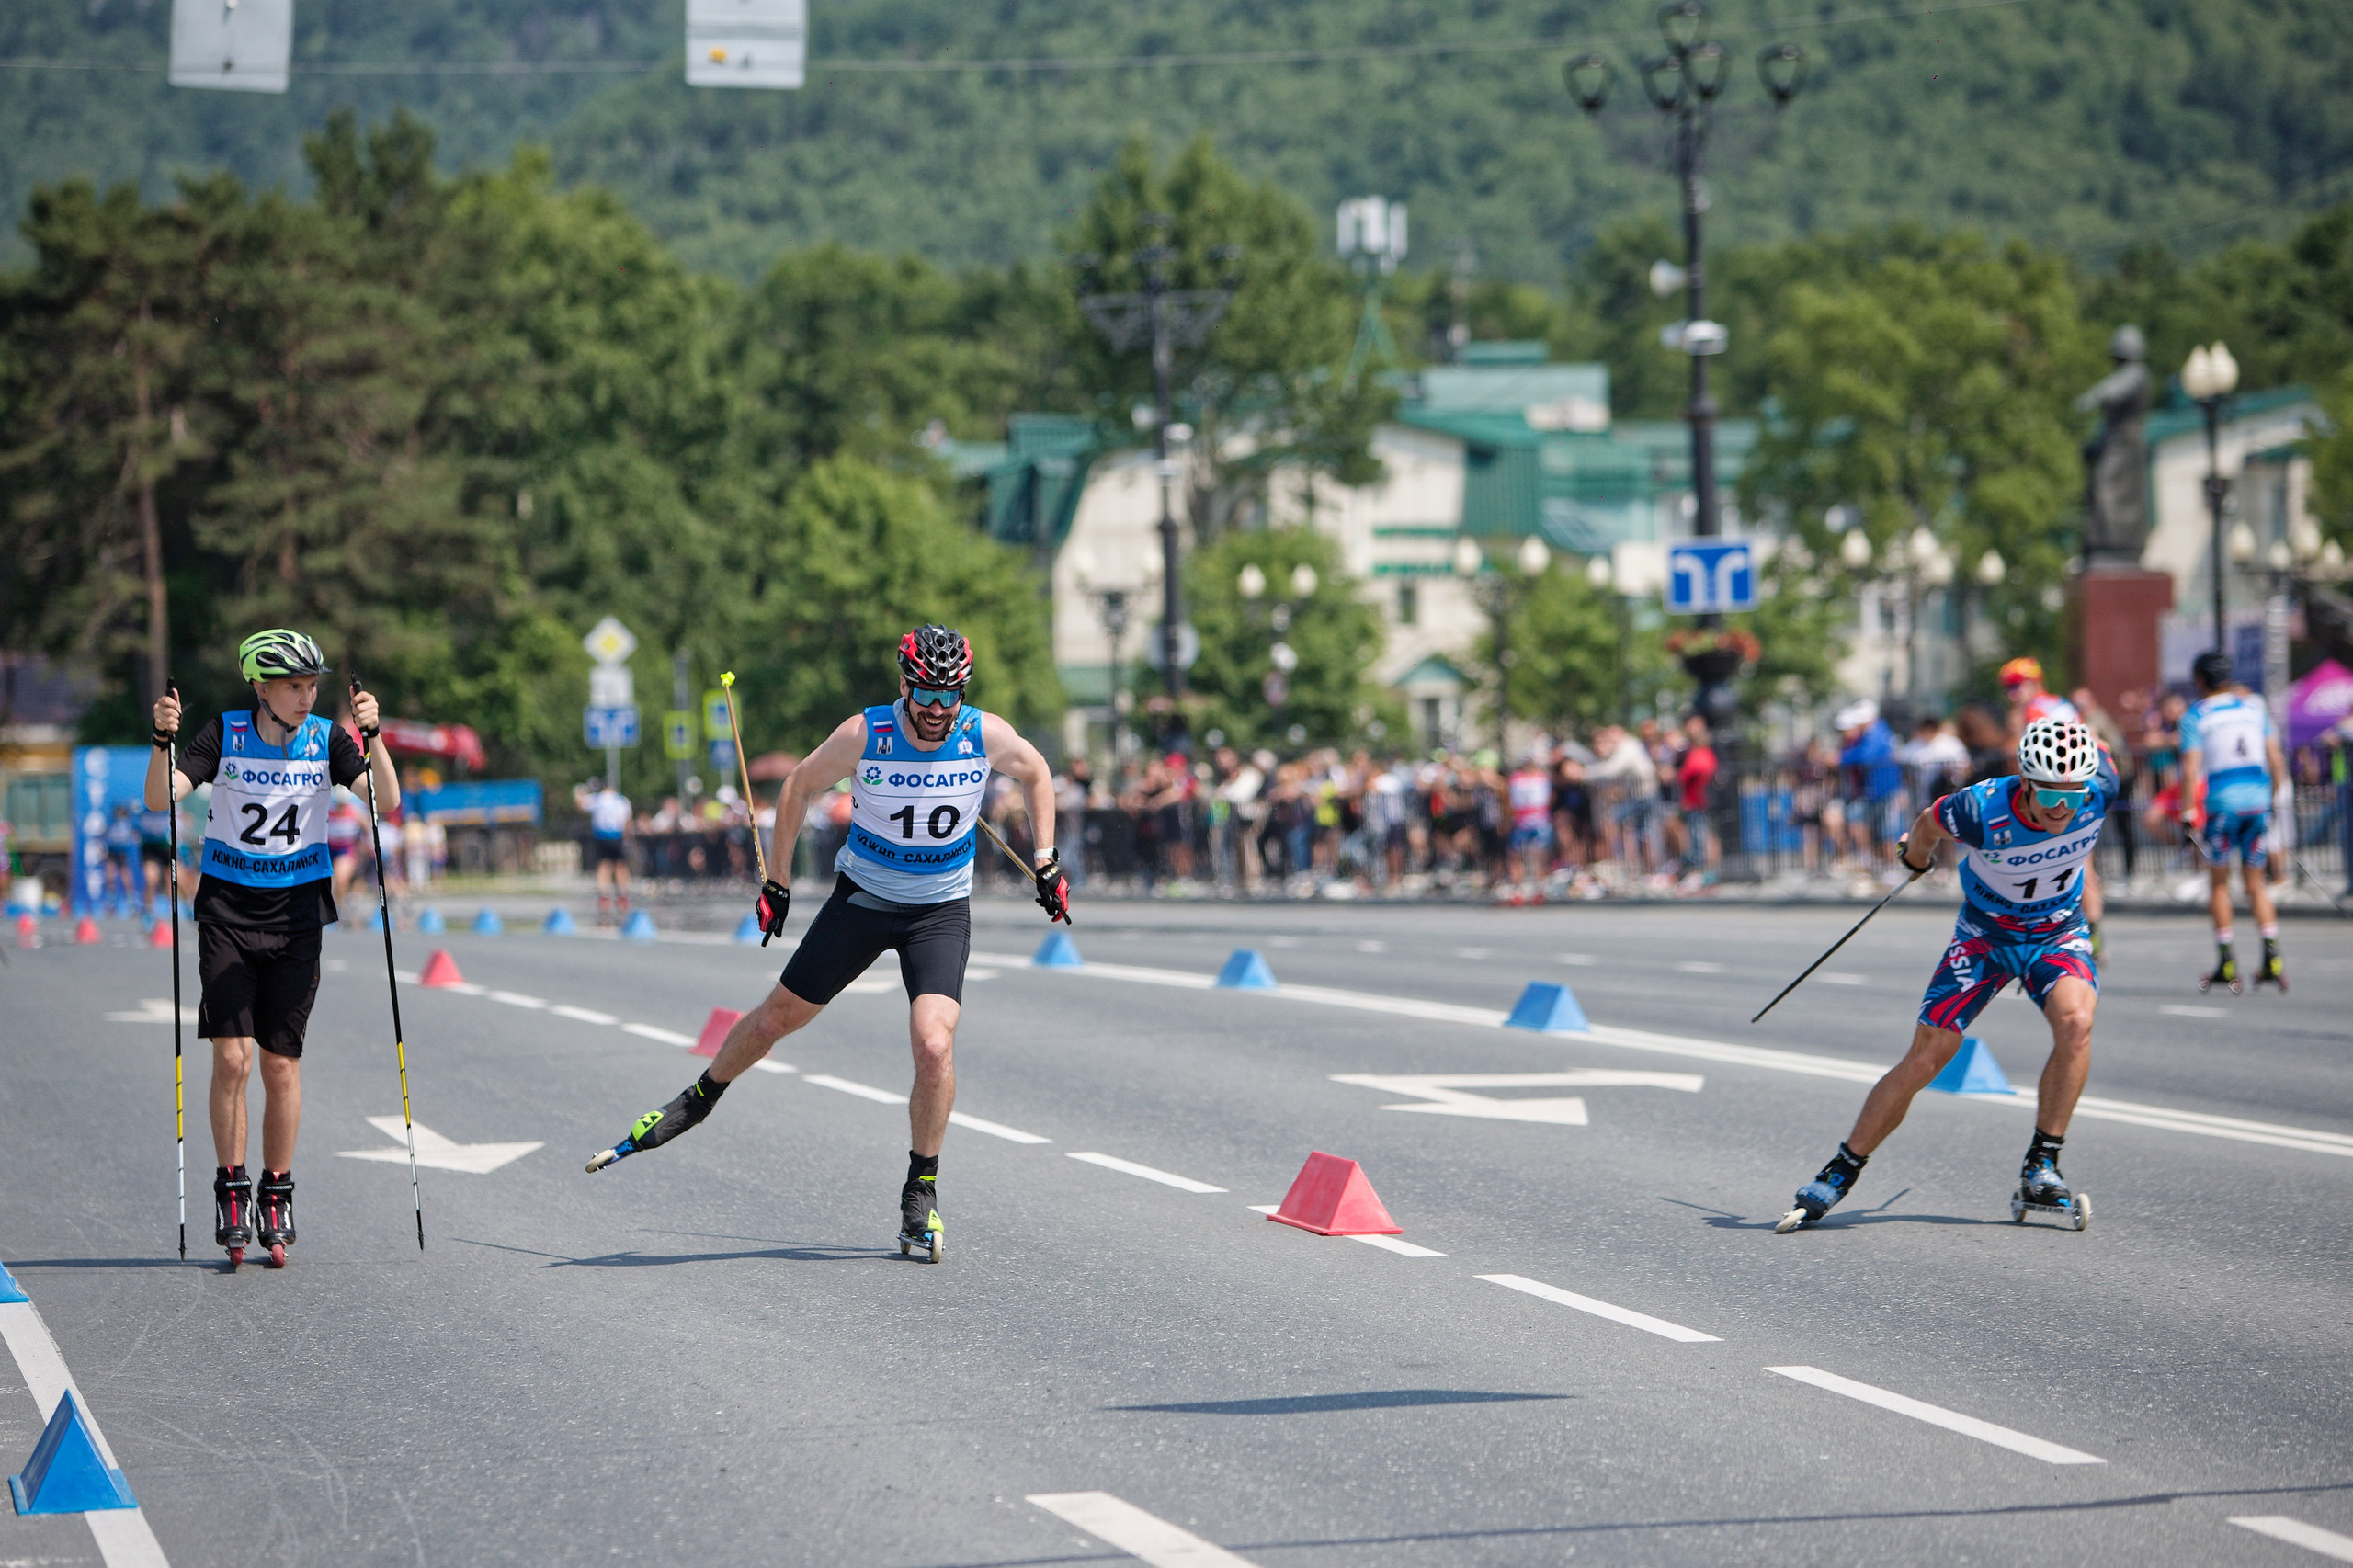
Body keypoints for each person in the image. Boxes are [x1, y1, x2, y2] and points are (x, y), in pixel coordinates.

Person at [585, 625, 1069, 1265]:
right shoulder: (869, 733)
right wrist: (777, 884)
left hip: (939, 912)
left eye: (948, 696)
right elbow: (796, 787)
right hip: (863, 902)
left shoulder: (984, 733)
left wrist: (1046, 861)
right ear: (904, 683)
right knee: (777, 1019)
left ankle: (920, 1190)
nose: (935, 709)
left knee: (934, 1041)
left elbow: (1036, 772)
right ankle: (697, 1099)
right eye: (923, 691)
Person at [1777, 715, 2113, 1233]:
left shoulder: (2100, 786)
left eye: (2075, 793)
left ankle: (2041, 1165)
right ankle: (1840, 1170)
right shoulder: (1980, 809)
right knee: (1930, 1055)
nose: (2064, 807)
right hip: (1984, 937)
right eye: (2051, 797)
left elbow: (2104, 755)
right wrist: (1916, 858)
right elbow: (1929, 821)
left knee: (2076, 1023)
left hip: (2055, 932)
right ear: (2025, 783)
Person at [145, 630, 398, 1267]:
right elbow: (159, 798)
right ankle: (232, 1186)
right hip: (229, 914)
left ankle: (277, 1190)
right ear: (259, 685)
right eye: (293, 686)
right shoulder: (225, 733)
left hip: (296, 919)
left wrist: (375, 738)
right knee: (232, 1060)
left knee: (280, 1065)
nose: (306, 696)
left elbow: (385, 803)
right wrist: (160, 742)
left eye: (312, 685)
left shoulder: (326, 740)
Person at [2179, 651, 2289, 992]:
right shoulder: (2254, 709)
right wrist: (2268, 801)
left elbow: (2189, 768)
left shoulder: (2196, 715)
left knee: (2220, 884)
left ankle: (2227, 961)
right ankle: (2272, 957)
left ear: (2199, 680)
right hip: (2256, 803)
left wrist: (2187, 813)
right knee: (2256, 883)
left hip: (2222, 807)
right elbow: (2277, 762)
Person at [1505, 750, 1554, 903]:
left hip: (1539, 821)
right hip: (1521, 821)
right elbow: (1509, 798)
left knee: (1538, 856)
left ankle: (1539, 889)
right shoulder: (1515, 779)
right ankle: (1517, 889)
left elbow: (1551, 797)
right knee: (1516, 855)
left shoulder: (1543, 778)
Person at [581, 778, 632, 921]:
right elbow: (627, 821)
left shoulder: (597, 799)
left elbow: (580, 804)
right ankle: (623, 895)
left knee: (604, 866)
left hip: (601, 837)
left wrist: (580, 791)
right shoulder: (621, 800)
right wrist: (628, 838)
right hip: (617, 836)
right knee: (620, 866)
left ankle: (604, 895)